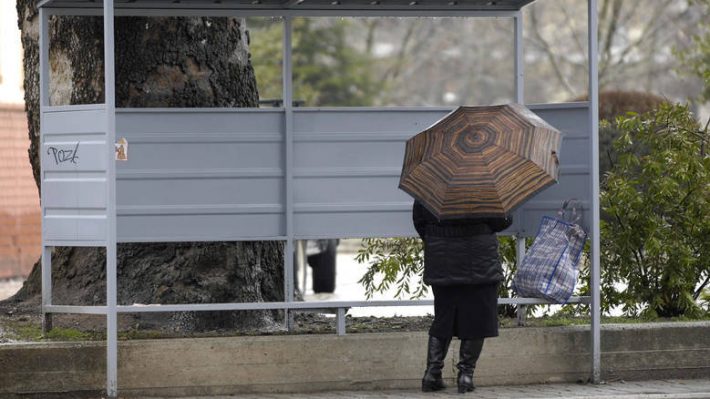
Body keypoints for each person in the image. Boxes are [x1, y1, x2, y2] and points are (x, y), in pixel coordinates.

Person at [413, 200, 512, 394]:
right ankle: (465, 376)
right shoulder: (484, 186)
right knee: (478, 318)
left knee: (444, 317)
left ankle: (432, 374)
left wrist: (438, 239)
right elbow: (502, 222)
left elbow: (420, 222)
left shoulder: (432, 183)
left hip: (442, 258)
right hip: (480, 259)